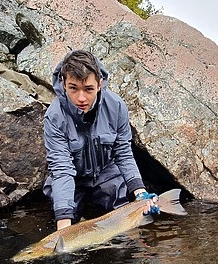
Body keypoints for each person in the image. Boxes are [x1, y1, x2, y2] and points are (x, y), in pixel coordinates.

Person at [42, 50, 157, 230]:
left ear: (99, 84)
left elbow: (123, 152)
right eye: (73, 88)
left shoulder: (116, 106)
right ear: (64, 84)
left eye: (88, 89)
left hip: (106, 172)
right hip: (74, 177)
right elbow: (61, 168)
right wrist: (63, 224)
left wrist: (139, 191)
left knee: (126, 224)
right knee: (63, 213)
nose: (81, 98)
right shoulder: (54, 117)